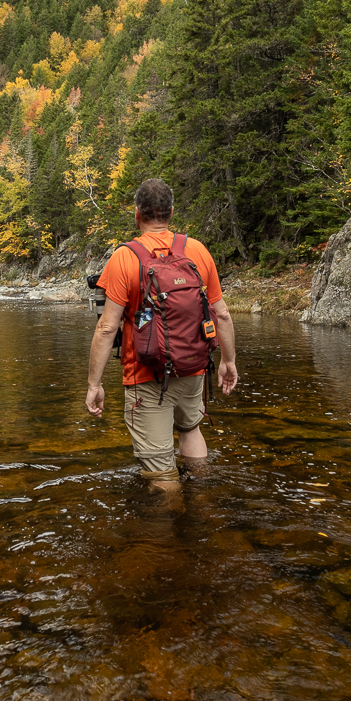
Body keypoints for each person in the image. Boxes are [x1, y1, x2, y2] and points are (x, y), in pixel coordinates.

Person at [86, 178, 238, 489]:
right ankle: (203, 508)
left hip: (146, 373)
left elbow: (106, 328)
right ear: (170, 212)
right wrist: (228, 361)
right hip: (194, 366)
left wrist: (94, 384)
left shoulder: (125, 257)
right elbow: (221, 313)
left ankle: (167, 533)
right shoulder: (196, 250)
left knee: (160, 472)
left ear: (137, 214)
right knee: (191, 430)